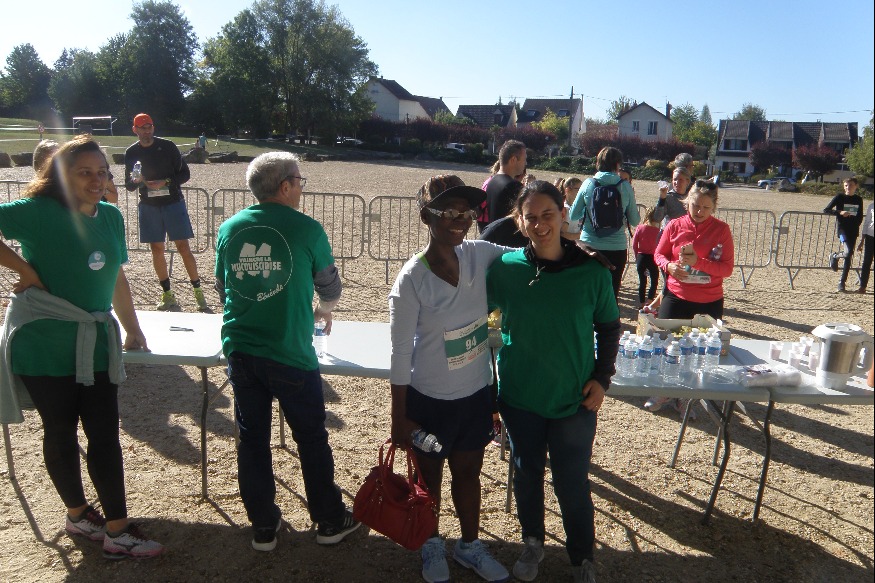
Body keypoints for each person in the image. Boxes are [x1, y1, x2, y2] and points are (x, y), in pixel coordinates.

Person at [0, 136, 162, 559]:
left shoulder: (109, 216)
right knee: (60, 431)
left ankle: (117, 527)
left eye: (102, 172)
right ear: (60, 176)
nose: (96, 180)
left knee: (105, 432)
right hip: (45, 341)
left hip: (95, 343)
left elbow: (116, 278)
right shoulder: (37, 212)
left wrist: (132, 327)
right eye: (84, 172)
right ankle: (78, 515)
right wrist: (24, 269)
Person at [214, 152, 359, 552]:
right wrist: (321, 313)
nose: (302, 187)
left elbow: (222, 287)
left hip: (241, 348)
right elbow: (330, 288)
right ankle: (329, 519)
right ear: (285, 186)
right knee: (311, 438)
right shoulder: (307, 229)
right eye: (300, 180)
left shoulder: (229, 228)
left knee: (252, 438)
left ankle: (263, 524)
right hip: (289, 351)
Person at [486, 180, 621, 583]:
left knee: (571, 482)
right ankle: (533, 542)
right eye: (531, 217)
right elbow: (473, 314)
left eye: (548, 215)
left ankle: (582, 557)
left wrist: (602, 379)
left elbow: (610, 329)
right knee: (526, 475)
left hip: (574, 399)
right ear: (519, 221)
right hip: (520, 395)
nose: (540, 224)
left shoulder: (591, 273)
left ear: (564, 214)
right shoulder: (505, 271)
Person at [390, 175, 510, 583]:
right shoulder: (412, 278)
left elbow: (530, 256)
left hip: (474, 395)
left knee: (468, 474)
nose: (461, 219)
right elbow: (400, 352)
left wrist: (576, 250)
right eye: (449, 211)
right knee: (429, 480)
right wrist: (399, 418)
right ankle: (431, 544)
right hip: (430, 399)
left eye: (467, 211)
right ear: (427, 215)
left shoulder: (481, 254)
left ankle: (469, 546)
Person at [124, 113, 211, 313]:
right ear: (134, 129)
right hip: (148, 205)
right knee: (157, 249)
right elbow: (129, 185)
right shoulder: (131, 152)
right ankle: (167, 294)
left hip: (173, 203)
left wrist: (166, 182)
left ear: (153, 128)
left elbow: (185, 173)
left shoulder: (168, 146)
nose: (147, 131)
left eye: (150, 126)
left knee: (183, 247)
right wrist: (137, 181)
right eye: (142, 127)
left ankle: (198, 291)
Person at [654, 180, 734, 319]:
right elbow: (659, 254)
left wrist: (697, 262)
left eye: (706, 207)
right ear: (687, 202)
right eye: (695, 205)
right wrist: (668, 266)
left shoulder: (722, 230)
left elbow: (727, 269)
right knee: (664, 337)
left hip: (709, 300)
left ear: (713, 207)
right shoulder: (674, 225)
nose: (699, 211)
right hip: (676, 294)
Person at [568, 146, 640, 301]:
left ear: (597, 162)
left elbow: (573, 215)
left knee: (587, 294)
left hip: (589, 246)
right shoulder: (625, 186)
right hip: (616, 247)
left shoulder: (588, 184)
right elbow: (635, 220)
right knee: (611, 295)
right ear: (618, 165)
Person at [824, 177, 865, 292]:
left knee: (849, 256)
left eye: (851, 185)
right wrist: (839, 212)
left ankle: (842, 283)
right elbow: (826, 210)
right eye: (846, 185)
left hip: (854, 231)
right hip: (843, 230)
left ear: (856, 186)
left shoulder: (858, 199)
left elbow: (860, 216)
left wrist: (856, 223)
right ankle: (834, 256)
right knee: (847, 252)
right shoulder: (839, 197)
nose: (848, 187)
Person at [482, 140, 527, 233]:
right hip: (508, 240)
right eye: (524, 159)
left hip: (495, 236)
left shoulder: (492, 181)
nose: (525, 163)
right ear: (513, 160)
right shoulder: (513, 186)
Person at [632, 207, 660, 308]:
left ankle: (642, 303)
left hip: (641, 257)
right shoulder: (658, 231)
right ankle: (649, 301)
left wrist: (636, 257)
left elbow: (634, 244)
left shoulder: (640, 228)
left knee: (642, 281)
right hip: (652, 258)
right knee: (654, 280)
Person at [857, 199, 874, 293]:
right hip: (870, 237)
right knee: (867, 262)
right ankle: (863, 286)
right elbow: (867, 222)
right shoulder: (871, 206)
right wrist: (862, 240)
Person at [559, 176, 583, 241]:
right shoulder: (566, 209)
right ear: (568, 190)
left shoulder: (578, 207)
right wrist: (582, 235)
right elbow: (562, 235)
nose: (582, 192)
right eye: (579, 189)